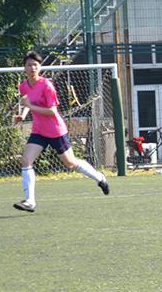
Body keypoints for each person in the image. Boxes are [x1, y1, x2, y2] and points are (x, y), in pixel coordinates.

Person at [12, 51, 110, 213]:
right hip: (39, 131)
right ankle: (30, 201)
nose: (32, 67)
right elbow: (27, 102)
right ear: (25, 67)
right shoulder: (24, 85)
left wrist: (29, 106)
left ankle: (99, 178)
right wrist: (22, 115)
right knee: (26, 160)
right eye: (29, 64)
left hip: (55, 130)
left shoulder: (46, 86)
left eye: (35, 64)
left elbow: (51, 111)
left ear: (40, 67)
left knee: (70, 163)